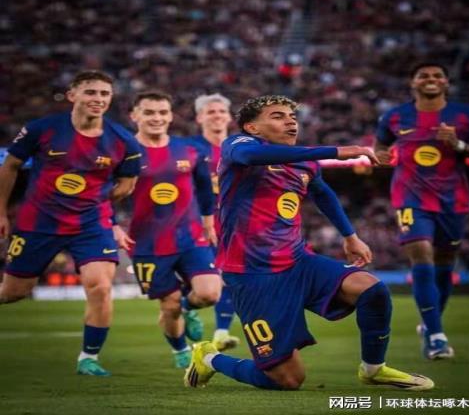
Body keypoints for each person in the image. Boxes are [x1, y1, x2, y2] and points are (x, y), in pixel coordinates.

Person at [184, 95, 434, 391]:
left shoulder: (304, 162)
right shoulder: (238, 145)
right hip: (252, 273)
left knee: (372, 289)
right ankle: (209, 358)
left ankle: (373, 368)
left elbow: (323, 193)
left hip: (297, 261)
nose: (290, 121)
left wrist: (350, 236)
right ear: (252, 127)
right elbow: (249, 157)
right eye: (277, 116)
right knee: (287, 379)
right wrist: (338, 151)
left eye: (292, 116)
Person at [0, 70, 142, 376]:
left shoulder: (123, 141)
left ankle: (89, 358)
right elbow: (10, 166)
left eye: (104, 94)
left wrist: (99, 205)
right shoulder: (42, 129)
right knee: (13, 292)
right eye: (91, 92)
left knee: (100, 286)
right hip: (38, 222)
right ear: (72, 95)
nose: (98, 99)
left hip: (90, 225)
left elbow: (126, 185)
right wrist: (0, 211)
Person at [374, 62, 469, 360]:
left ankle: (429, 324)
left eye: (437, 75)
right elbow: (380, 146)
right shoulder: (395, 116)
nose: (431, 79)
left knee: (444, 264)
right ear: (413, 82)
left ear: (446, 83)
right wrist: (381, 155)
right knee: (421, 255)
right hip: (410, 198)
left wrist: (459, 144)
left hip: (452, 200)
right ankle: (437, 338)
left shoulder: (467, 116)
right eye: (423, 75)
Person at [125, 90, 221, 369]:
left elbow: (205, 188)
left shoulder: (189, 150)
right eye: (149, 112)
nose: (157, 118)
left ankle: (188, 309)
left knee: (209, 293)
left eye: (162, 112)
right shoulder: (124, 152)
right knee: (169, 305)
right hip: (147, 242)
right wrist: (110, 225)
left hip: (190, 235)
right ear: (135, 116)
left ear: (170, 116)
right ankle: (180, 351)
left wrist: (208, 221)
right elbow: (105, 192)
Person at [190, 93, 240, 351]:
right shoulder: (190, 149)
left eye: (221, 111)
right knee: (206, 284)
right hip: (196, 225)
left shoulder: (240, 148)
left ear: (229, 117)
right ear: (199, 118)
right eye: (211, 111)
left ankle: (221, 333)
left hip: (234, 225)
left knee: (230, 278)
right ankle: (185, 309)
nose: (217, 115)